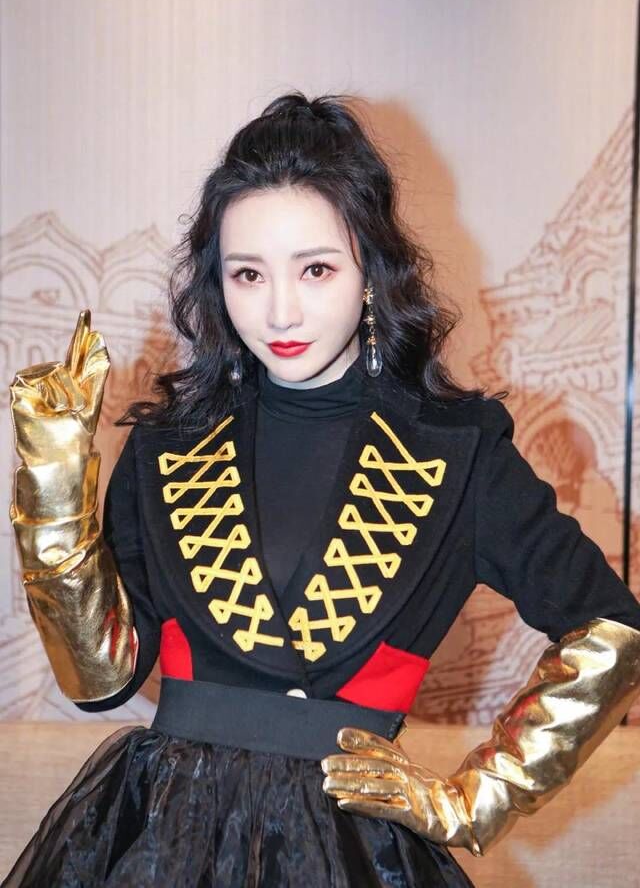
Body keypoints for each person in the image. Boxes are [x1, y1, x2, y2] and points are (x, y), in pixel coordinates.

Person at [4, 91, 640, 888]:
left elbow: (610, 627)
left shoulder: (456, 453)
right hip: (160, 836)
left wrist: (473, 799)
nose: (279, 310)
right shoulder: (168, 445)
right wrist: (54, 487)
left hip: (349, 849)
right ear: (217, 282)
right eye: (247, 273)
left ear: (370, 270)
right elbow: (101, 680)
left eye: (315, 269)